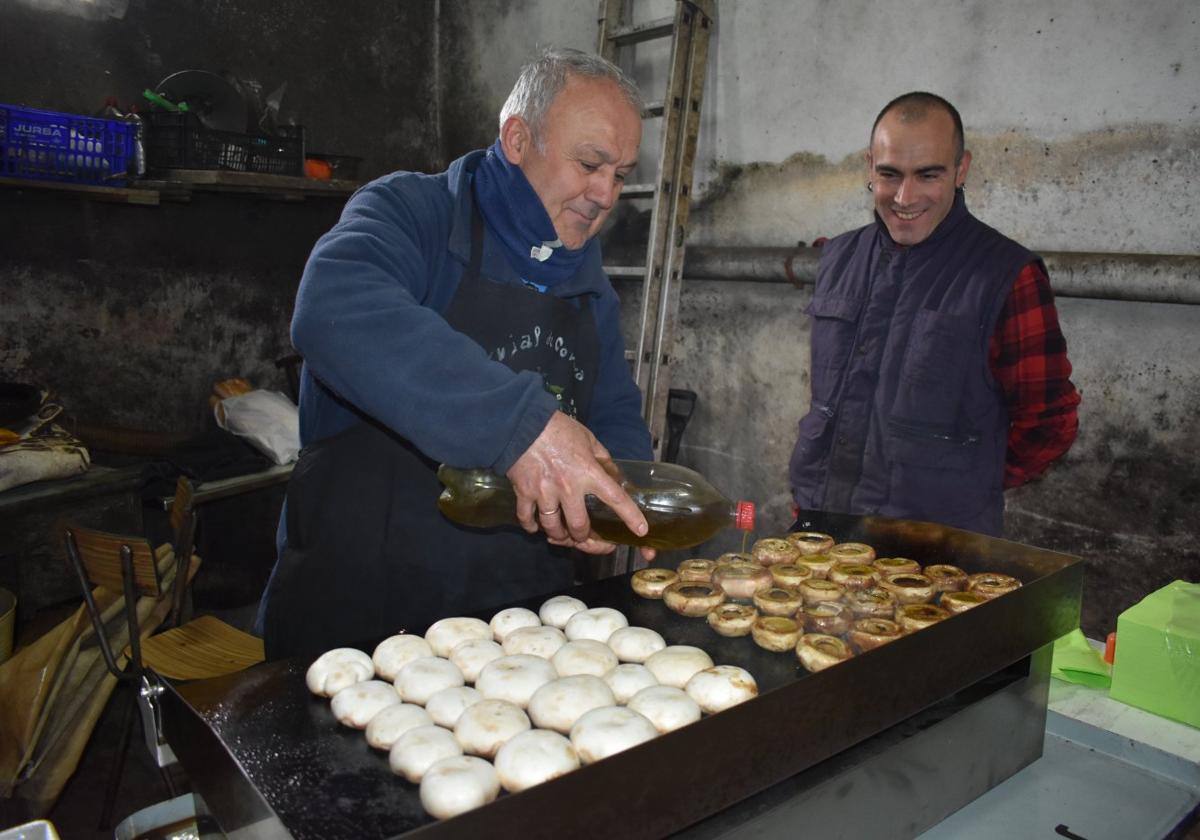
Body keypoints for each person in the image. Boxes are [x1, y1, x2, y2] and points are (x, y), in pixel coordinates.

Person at [258, 47, 654, 659]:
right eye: (590, 164)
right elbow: (335, 308)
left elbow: (611, 412)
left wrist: (624, 495)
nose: (605, 193)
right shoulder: (412, 213)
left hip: (517, 628)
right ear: (518, 139)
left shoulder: (588, 283)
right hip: (360, 621)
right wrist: (523, 428)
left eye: (621, 174)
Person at [789, 92, 1080, 536]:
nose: (905, 197)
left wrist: (966, 482)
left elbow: (1049, 423)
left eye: (928, 175)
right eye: (889, 174)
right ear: (870, 166)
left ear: (961, 169)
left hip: (935, 554)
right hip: (824, 529)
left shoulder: (1005, 275)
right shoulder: (839, 258)